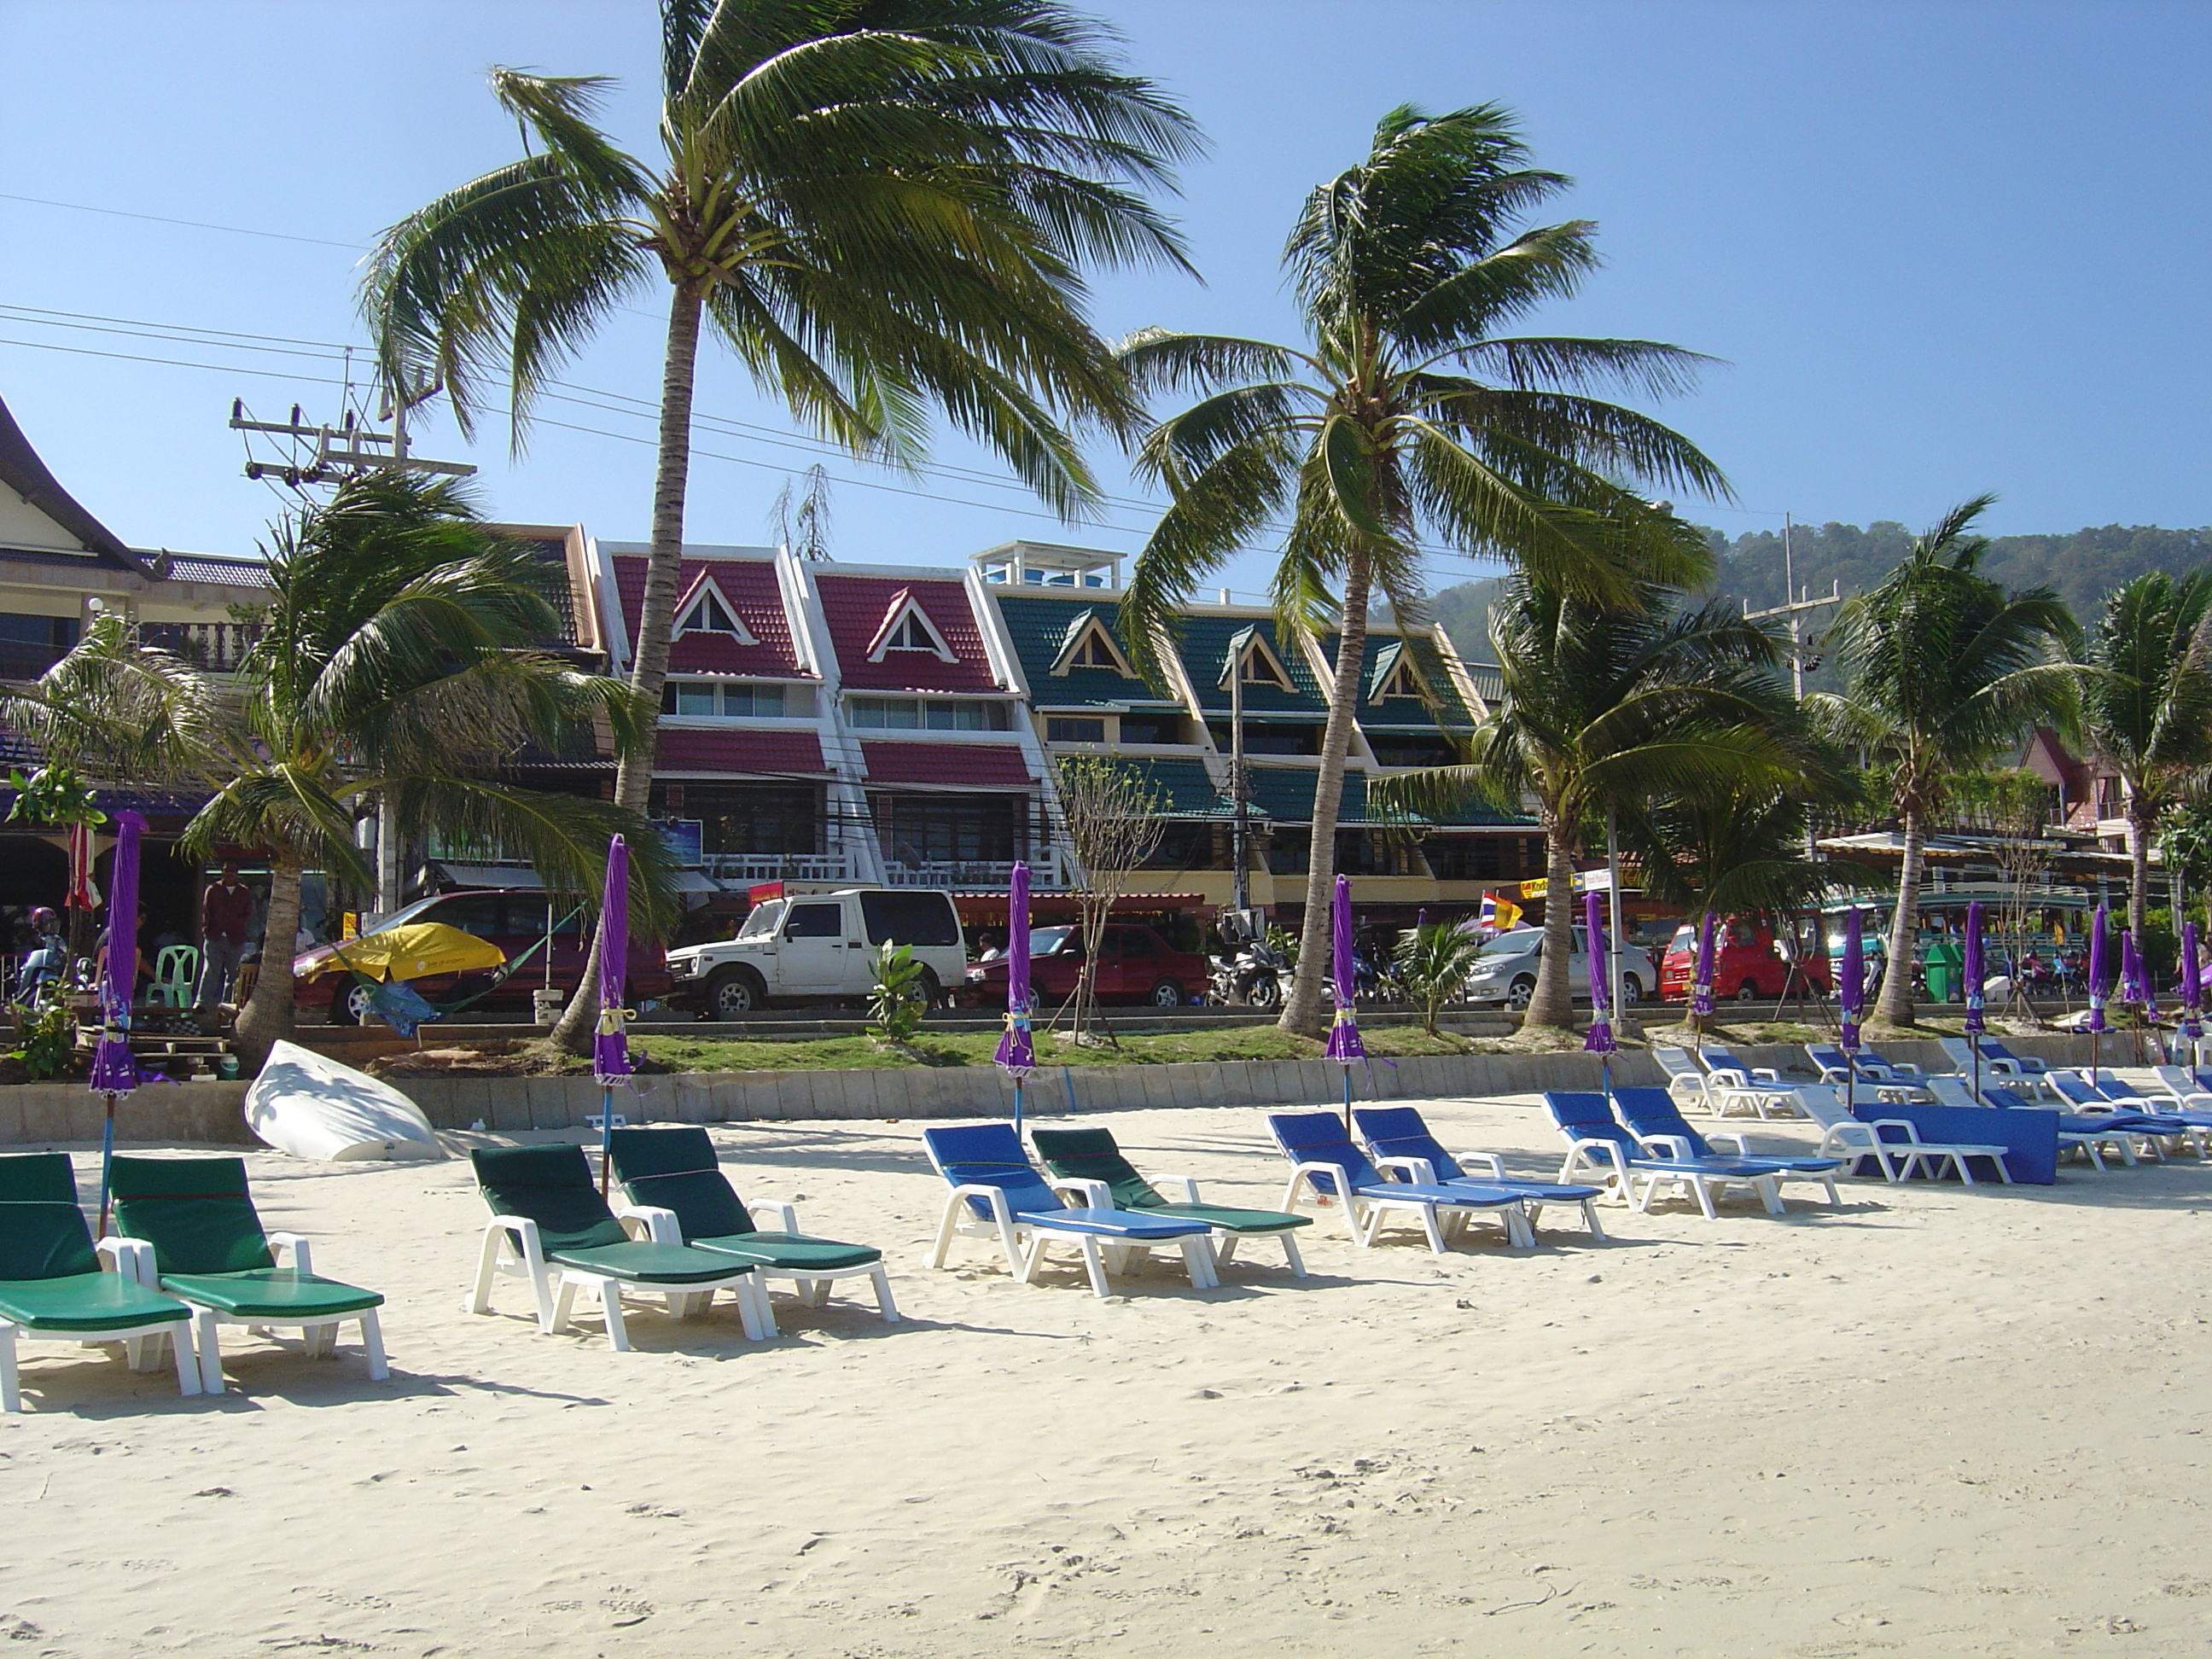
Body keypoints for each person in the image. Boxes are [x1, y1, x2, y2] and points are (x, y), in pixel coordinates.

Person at [195, 861, 257, 1026]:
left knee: (233, 974)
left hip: (235, 938)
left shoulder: (243, 892)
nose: (229, 874)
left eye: (233, 871)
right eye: (226, 870)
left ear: (237, 873)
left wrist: (237, 924)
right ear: (222, 872)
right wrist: (206, 930)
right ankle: (202, 1003)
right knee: (211, 970)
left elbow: (248, 913)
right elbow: (206, 910)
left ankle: (229, 1005)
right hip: (214, 936)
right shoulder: (213, 890)